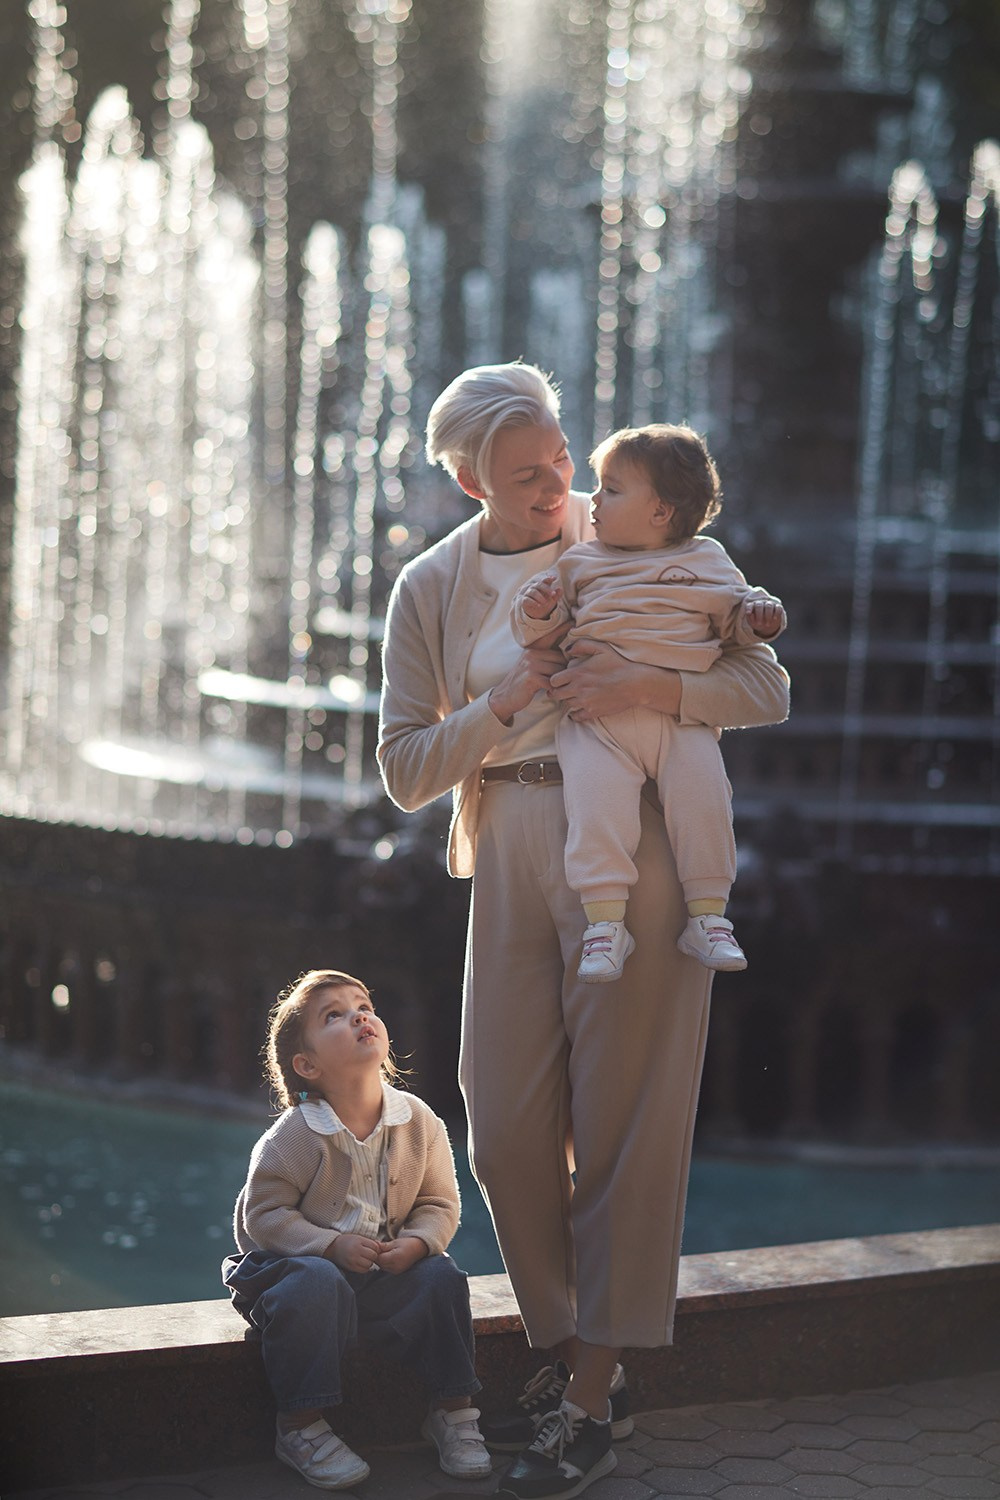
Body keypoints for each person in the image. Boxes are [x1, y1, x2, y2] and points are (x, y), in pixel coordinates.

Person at [377, 361, 790, 1500]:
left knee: (624, 1127)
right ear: (469, 484)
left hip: (641, 852)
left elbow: (760, 686)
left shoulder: (628, 538)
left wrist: (648, 692)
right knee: (503, 1127)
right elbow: (406, 769)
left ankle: (587, 1399)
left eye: (563, 460)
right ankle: (579, 1355)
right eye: (526, 477)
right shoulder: (430, 588)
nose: (559, 486)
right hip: (506, 840)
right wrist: (502, 706)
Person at [511, 422, 786, 983]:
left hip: (681, 723)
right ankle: (605, 923)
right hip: (596, 722)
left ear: (661, 512)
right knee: (595, 806)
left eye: (611, 490)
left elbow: (738, 620)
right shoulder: (581, 563)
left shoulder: (708, 560)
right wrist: (535, 609)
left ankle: (708, 915)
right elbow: (539, 632)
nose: (595, 502)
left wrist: (761, 617)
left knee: (705, 799)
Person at [221, 968, 492, 1490]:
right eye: (335, 1016)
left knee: (442, 1278)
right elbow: (264, 1217)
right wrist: (330, 1245)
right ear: (307, 1065)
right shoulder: (295, 1136)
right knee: (316, 1282)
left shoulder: (419, 1121)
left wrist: (416, 1244)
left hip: (377, 1278)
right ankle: (299, 1426)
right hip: (288, 1273)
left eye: (363, 1005)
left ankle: (453, 1412)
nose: (359, 1016)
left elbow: (439, 1202)